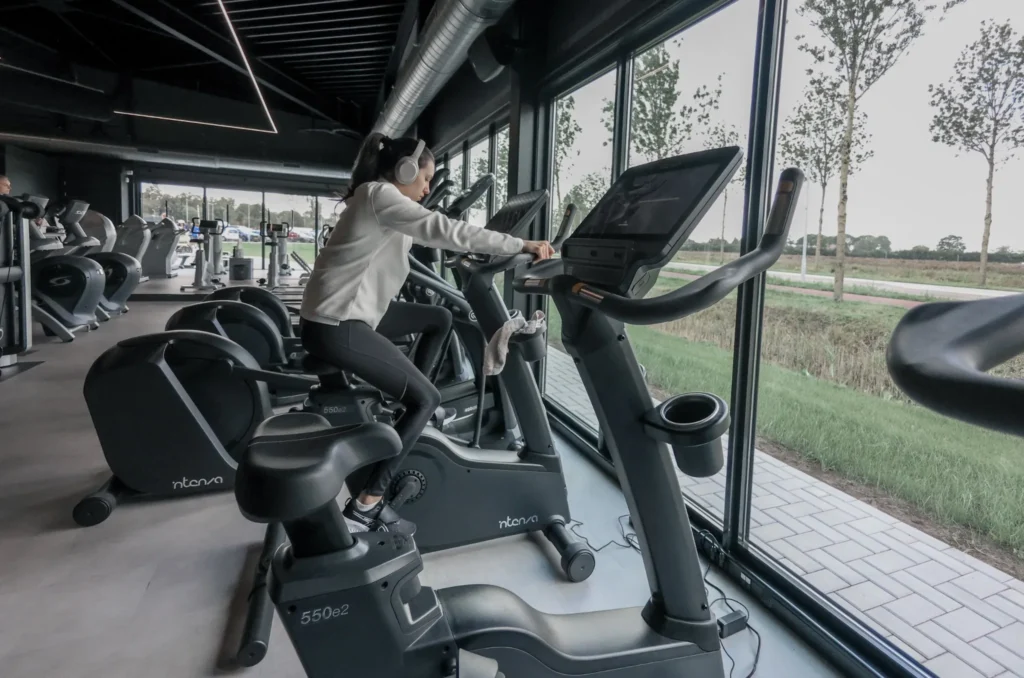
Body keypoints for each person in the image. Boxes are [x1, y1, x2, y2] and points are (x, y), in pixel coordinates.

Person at [300, 133, 555, 535]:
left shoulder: (380, 200)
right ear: (404, 171)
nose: (426, 188)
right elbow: (444, 229)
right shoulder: (381, 196)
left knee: (438, 317)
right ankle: (367, 504)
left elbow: (433, 233)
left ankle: (406, 409)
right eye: (425, 178)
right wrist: (520, 244)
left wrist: (477, 248)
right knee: (427, 398)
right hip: (337, 325)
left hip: (342, 316)